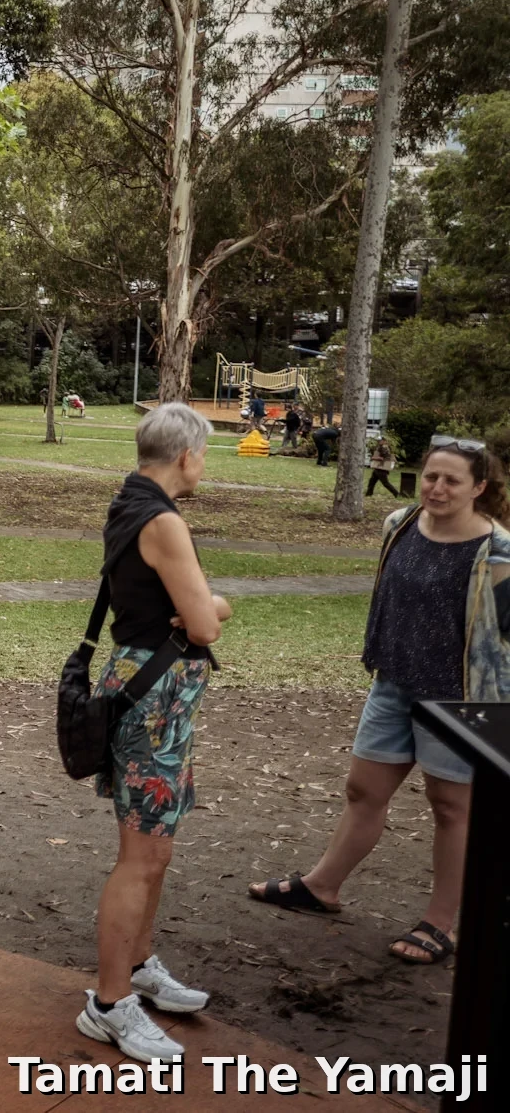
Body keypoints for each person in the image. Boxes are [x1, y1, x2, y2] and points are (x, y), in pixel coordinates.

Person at [248, 437, 509, 966]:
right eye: (431, 476)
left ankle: (440, 923)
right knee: (363, 790)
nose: (436, 488)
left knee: (452, 808)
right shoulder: (400, 525)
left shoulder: (499, 552)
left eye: (451, 480)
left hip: (461, 698)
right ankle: (322, 887)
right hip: (393, 684)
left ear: (479, 488)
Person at [76, 402, 230, 1062]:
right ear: (187, 455)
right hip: (153, 702)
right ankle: (109, 1004)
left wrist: (191, 606)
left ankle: (137, 965)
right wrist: (216, 600)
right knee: (140, 858)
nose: (204, 465)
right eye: (203, 454)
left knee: (154, 850)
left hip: (155, 697)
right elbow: (204, 624)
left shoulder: (131, 500)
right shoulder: (161, 518)